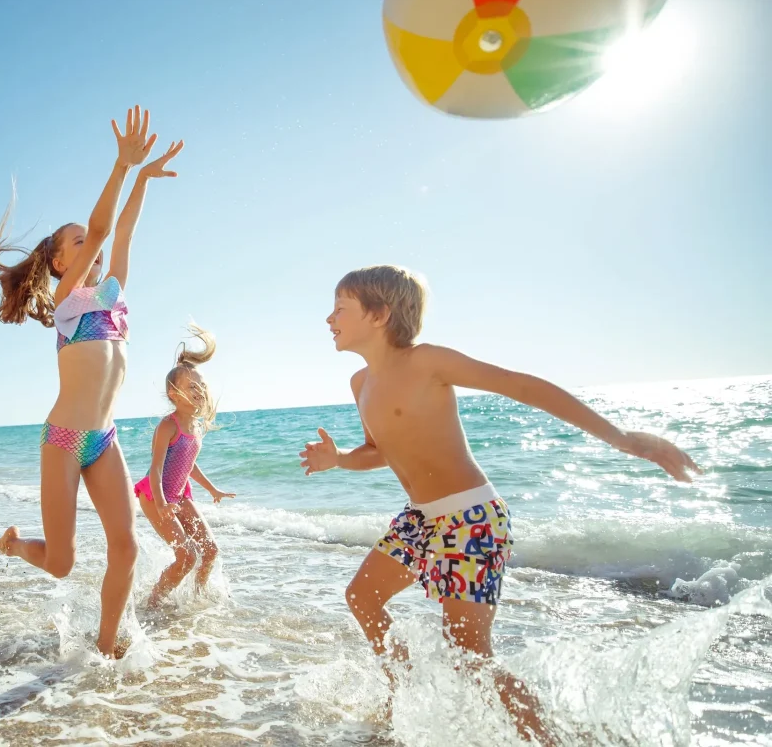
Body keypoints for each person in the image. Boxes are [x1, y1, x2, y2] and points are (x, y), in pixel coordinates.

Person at [299, 264, 700, 742]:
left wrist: (621, 438)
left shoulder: (428, 361)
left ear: (380, 314)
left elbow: (523, 386)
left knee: (468, 654)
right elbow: (380, 450)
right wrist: (340, 459)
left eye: (340, 308)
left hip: (472, 517)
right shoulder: (360, 384)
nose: (329, 318)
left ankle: (546, 739)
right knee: (362, 597)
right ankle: (402, 692)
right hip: (421, 518)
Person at [0, 106, 183, 657]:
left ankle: (104, 646)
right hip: (65, 440)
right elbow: (102, 228)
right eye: (74, 244)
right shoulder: (67, 301)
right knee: (61, 563)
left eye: (84, 243)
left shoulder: (112, 296)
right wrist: (122, 166)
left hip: (105, 440)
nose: (87, 247)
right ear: (57, 262)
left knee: (126, 548)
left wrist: (142, 179)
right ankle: (17, 544)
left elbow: (121, 232)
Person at [135, 325, 235, 608]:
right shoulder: (168, 425)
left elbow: (189, 465)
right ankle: (152, 602)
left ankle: (197, 596)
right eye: (192, 386)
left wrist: (213, 489)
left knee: (210, 550)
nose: (200, 390)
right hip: (155, 496)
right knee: (187, 555)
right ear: (173, 394)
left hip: (180, 496)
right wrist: (163, 503)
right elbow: (156, 468)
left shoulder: (197, 426)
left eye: (201, 386)